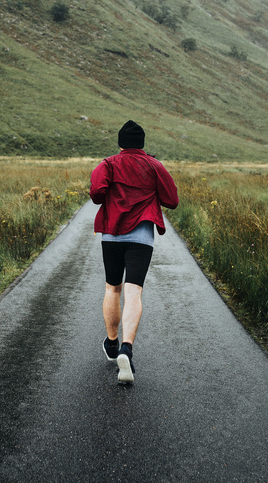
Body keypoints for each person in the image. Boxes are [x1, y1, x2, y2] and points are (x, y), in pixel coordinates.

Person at [89, 120, 179, 384]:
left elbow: (96, 193)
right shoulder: (154, 165)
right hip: (141, 235)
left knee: (112, 289)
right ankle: (127, 348)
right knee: (134, 291)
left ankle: (113, 344)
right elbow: (172, 200)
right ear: (142, 144)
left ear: (120, 143)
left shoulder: (107, 164)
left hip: (111, 234)